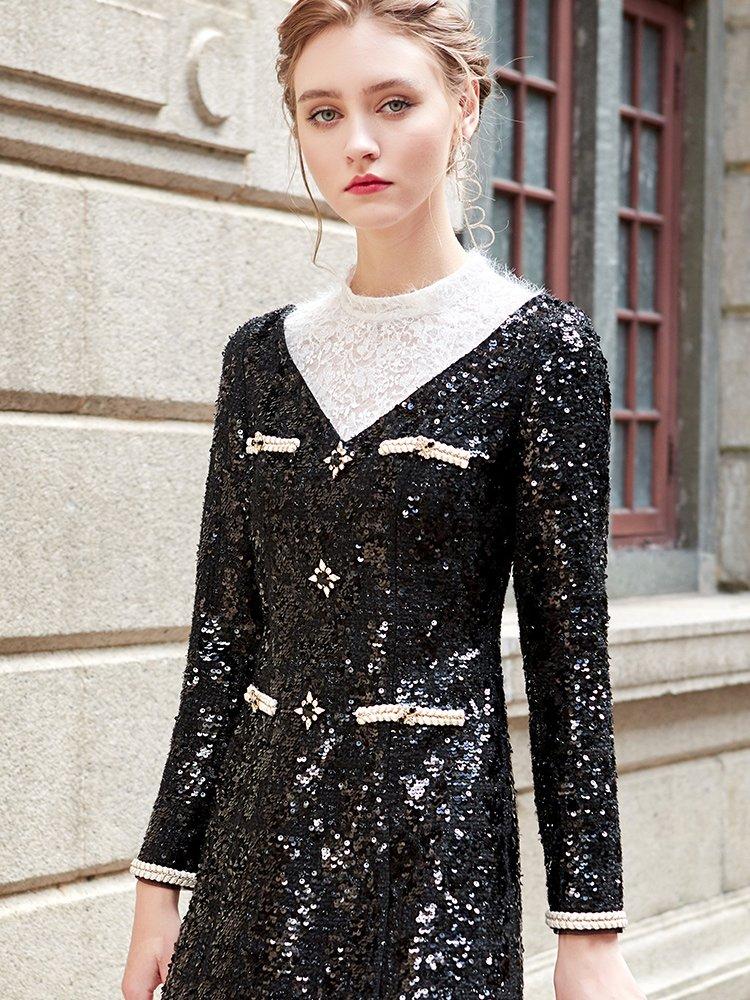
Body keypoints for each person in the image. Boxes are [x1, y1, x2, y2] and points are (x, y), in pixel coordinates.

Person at [122, 3, 646, 999]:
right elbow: (223, 636)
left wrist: (590, 930)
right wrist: (161, 877)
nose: (357, 142)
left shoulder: (544, 351)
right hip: (250, 863)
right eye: (323, 112)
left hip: (433, 870)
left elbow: (569, 656)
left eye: (394, 103)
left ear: (465, 104)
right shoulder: (259, 359)